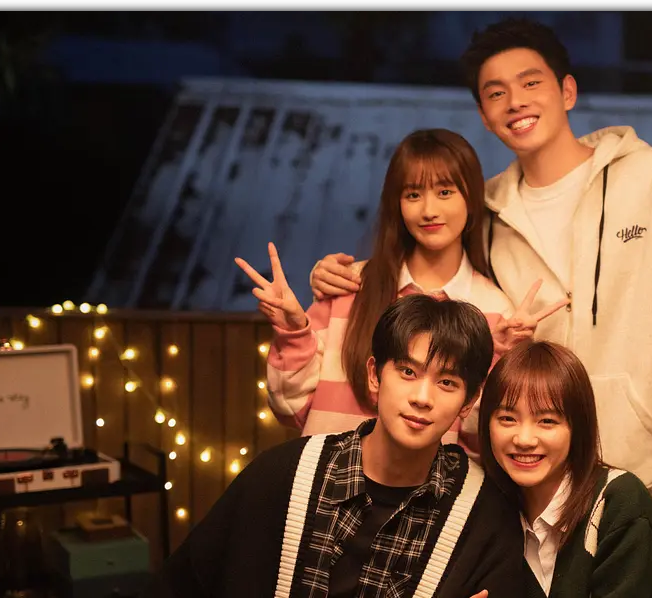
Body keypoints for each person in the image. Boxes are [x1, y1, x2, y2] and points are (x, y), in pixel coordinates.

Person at [308, 12, 652, 551]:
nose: (515, 102)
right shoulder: (481, 213)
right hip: (516, 491)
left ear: (567, 91)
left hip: (637, 481)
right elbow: (425, 282)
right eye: (496, 93)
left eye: (531, 83)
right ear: (484, 115)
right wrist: (345, 275)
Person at [107, 295, 531, 598]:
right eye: (407, 372)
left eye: (446, 383)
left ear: (469, 401)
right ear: (374, 376)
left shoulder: (482, 515)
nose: (422, 397)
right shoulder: (284, 475)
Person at [235, 128, 565, 454]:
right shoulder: (349, 284)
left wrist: (497, 356)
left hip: (429, 487)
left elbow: (479, 438)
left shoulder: (494, 309)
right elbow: (289, 408)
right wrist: (293, 332)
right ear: (397, 204)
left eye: (445, 192)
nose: (429, 210)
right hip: (329, 478)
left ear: (471, 198)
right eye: (413, 195)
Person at [442, 340, 652, 598]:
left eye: (547, 421)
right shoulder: (490, 511)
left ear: (577, 428)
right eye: (507, 419)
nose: (524, 439)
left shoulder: (620, 502)